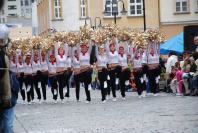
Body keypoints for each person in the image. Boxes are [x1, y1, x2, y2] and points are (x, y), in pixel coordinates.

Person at [0, 23, 20, 133]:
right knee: (7, 125)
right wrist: (7, 97)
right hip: (4, 95)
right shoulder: (3, 56)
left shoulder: (3, 55)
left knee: (5, 124)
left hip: (4, 95)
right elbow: (5, 80)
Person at [105, 37, 121, 101]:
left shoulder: (116, 52)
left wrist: (114, 37)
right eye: (111, 46)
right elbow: (106, 45)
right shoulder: (108, 52)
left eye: (113, 46)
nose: (112, 47)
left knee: (113, 83)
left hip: (115, 69)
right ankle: (108, 94)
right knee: (109, 83)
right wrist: (107, 38)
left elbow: (117, 44)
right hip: (109, 70)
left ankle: (114, 96)